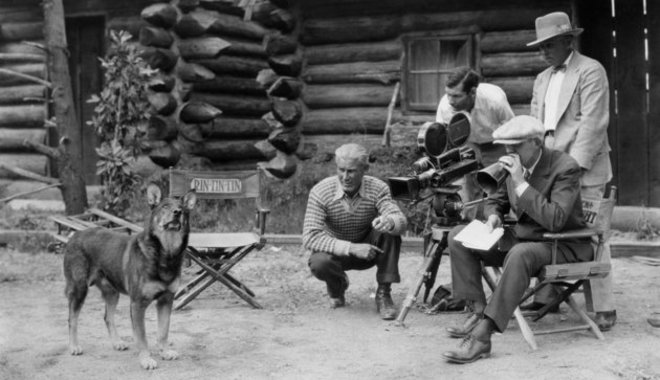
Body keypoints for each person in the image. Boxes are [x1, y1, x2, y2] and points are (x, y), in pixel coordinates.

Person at [442, 115, 593, 364]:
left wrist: (521, 184)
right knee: (458, 236)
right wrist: (493, 218)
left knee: (520, 254)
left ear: (535, 142)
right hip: (525, 242)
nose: (509, 152)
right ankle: (479, 311)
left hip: (561, 245)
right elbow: (495, 200)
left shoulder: (565, 167)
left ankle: (482, 336)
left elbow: (556, 219)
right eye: (506, 146)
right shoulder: (513, 165)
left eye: (515, 146)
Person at [528, 11, 616, 331]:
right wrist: (535, 164)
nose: (544, 51)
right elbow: (535, 126)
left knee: (593, 234)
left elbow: (593, 125)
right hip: (550, 166)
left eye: (550, 44)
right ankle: (547, 297)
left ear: (568, 40)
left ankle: (604, 307)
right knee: (546, 228)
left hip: (584, 167)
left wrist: (572, 168)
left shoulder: (591, 71)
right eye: (541, 47)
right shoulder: (542, 79)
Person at [303, 143, 407, 320]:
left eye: (351, 171)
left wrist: (389, 221)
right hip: (335, 253)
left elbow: (400, 220)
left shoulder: (378, 188)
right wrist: (351, 247)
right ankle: (338, 285)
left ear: (365, 169)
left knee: (390, 234)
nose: (345, 177)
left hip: (370, 251)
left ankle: (384, 293)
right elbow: (310, 237)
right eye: (341, 170)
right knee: (319, 262)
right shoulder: (321, 191)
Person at [436, 66, 515, 220]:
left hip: (496, 142)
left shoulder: (495, 100)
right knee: (471, 188)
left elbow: (512, 130)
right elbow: (444, 138)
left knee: (499, 186)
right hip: (468, 143)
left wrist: (511, 159)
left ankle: (499, 223)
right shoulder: (445, 105)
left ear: (472, 92)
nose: (450, 101)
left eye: (456, 96)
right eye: (448, 94)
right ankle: (474, 227)